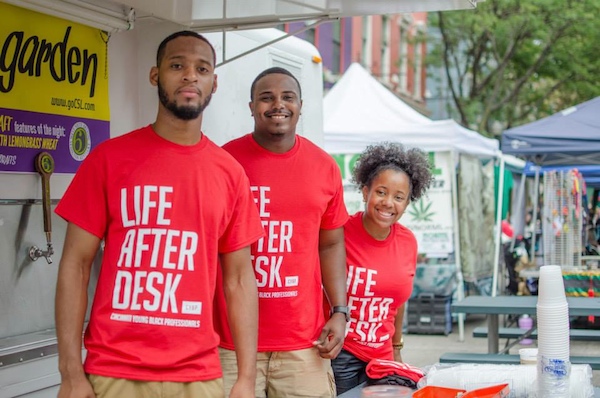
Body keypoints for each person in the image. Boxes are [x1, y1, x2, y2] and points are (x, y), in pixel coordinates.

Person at [54, 31, 264, 398]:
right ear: (155, 75)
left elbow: (240, 280)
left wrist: (246, 378)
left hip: (198, 376)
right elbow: (75, 264)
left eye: (201, 68)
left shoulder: (230, 174)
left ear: (214, 83)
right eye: (177, 65)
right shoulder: (108, 159)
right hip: (114, 371)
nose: (189, 76)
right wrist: (71, 372)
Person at [214, 67, 349, 397]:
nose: (278, 105)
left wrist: (340, 311)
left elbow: (330, 244)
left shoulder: (324, 166)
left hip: (304, 344)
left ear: (301, 105)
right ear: (251, 106)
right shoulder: (224, 161)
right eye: (266, 97)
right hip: (231, 343)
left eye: (287, 97)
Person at [331, 142, 433, 395]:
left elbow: (397, 301)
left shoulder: (408, 242)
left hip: (383, 357)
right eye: (381, 192)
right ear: (365, 192)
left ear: (408, 203)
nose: (388, 203)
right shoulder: (339, 233)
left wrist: (396, 346)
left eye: (399, 197)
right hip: (340, 354)